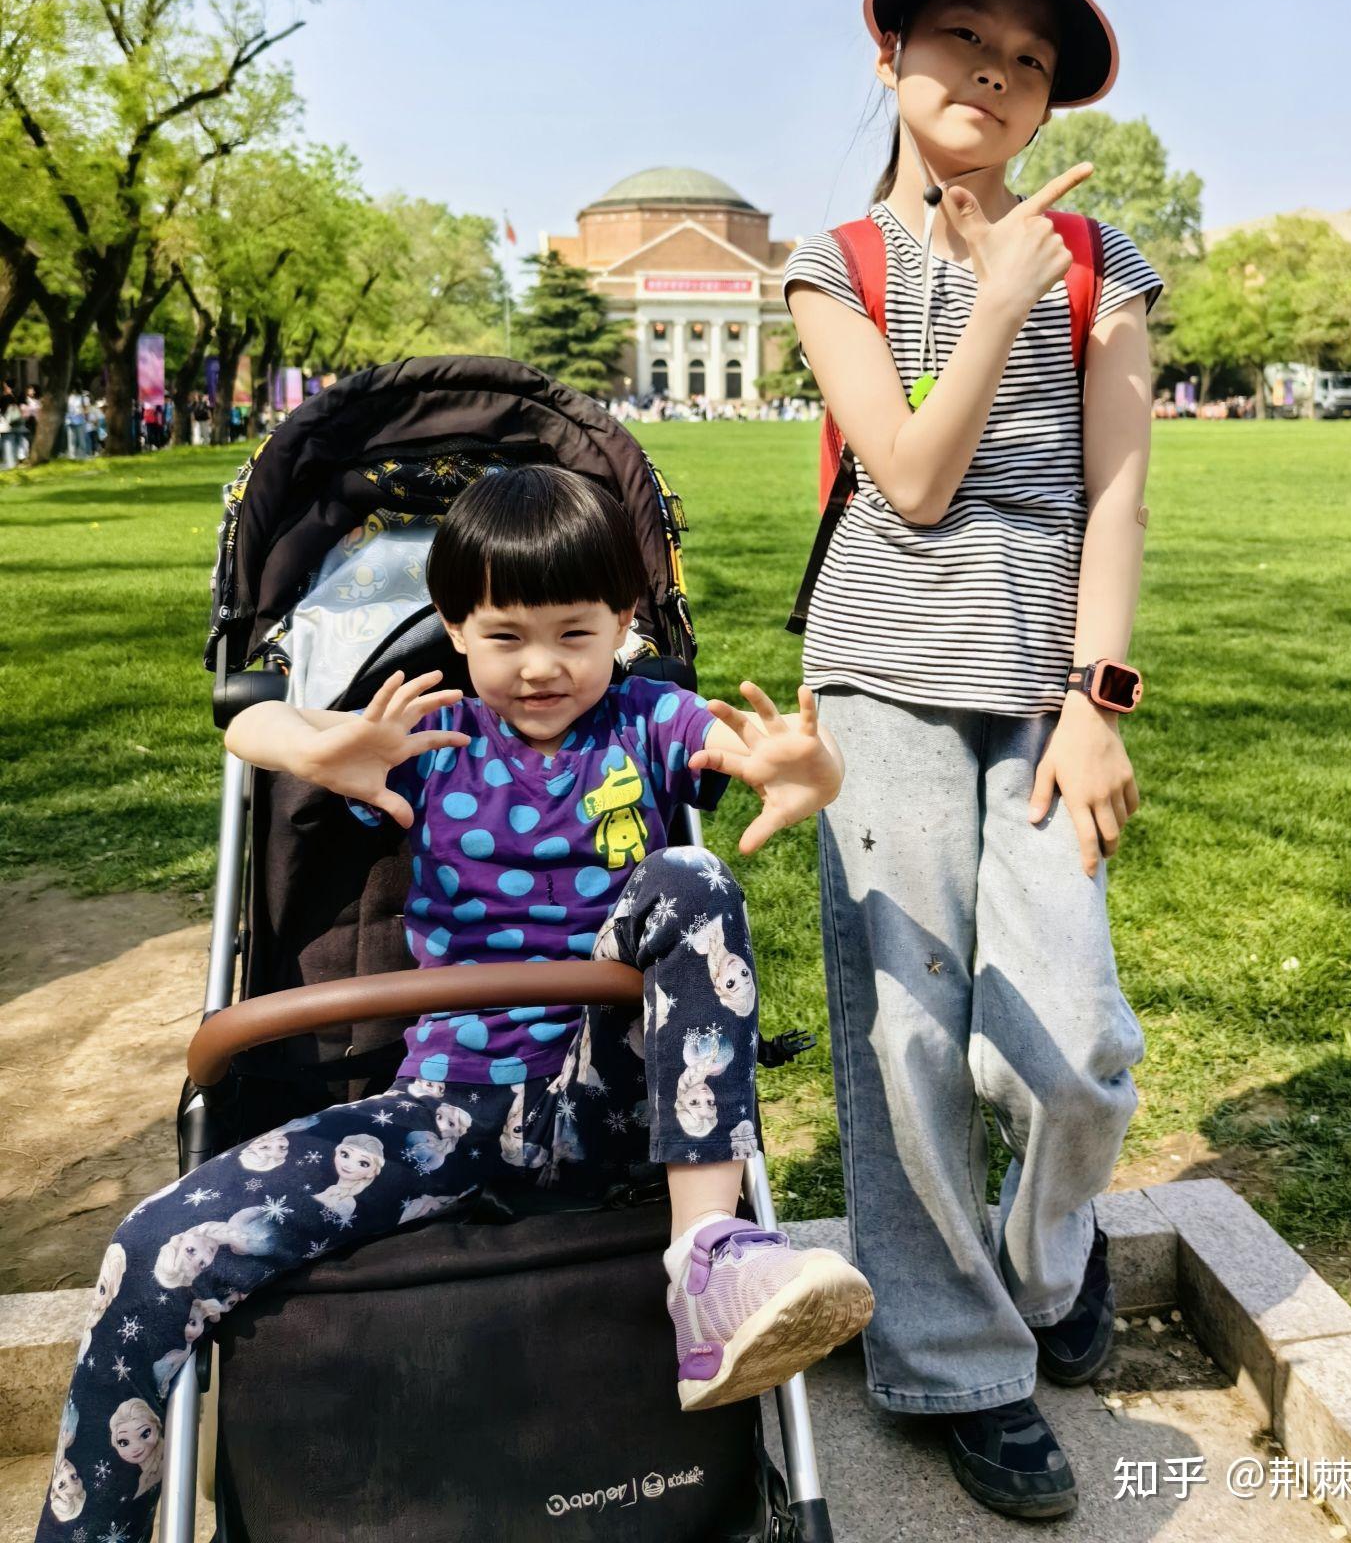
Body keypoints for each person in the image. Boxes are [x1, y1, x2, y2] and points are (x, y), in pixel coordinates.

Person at [34, 464, 872, 1543]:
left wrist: (815, 769)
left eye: (575, 632)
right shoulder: (430, 741)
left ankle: (707, 1259)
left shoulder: (649, 719)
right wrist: (311, 743)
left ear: (625, 621)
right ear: (453, 626)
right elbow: (243, 731)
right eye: (505, 634)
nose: (540, 666)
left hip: (611, 1096)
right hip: (447, 1105)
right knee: (154, 1248)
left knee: (693, 880)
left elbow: (742, 755)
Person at [784, 0, 1161, 1521]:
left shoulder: (1106, 264)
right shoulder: (831, 267)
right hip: (875, 682)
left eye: (1029, 54)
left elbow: (1118, 495)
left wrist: (1095, 700)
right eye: (959, 35)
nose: (995, 68)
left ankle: (1041, 1254)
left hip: (1037, 702)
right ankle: (955, 1363)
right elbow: (911, 480)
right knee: (906, 1039)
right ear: (889, 57)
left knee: (1076, 1044)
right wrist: (996, 297)